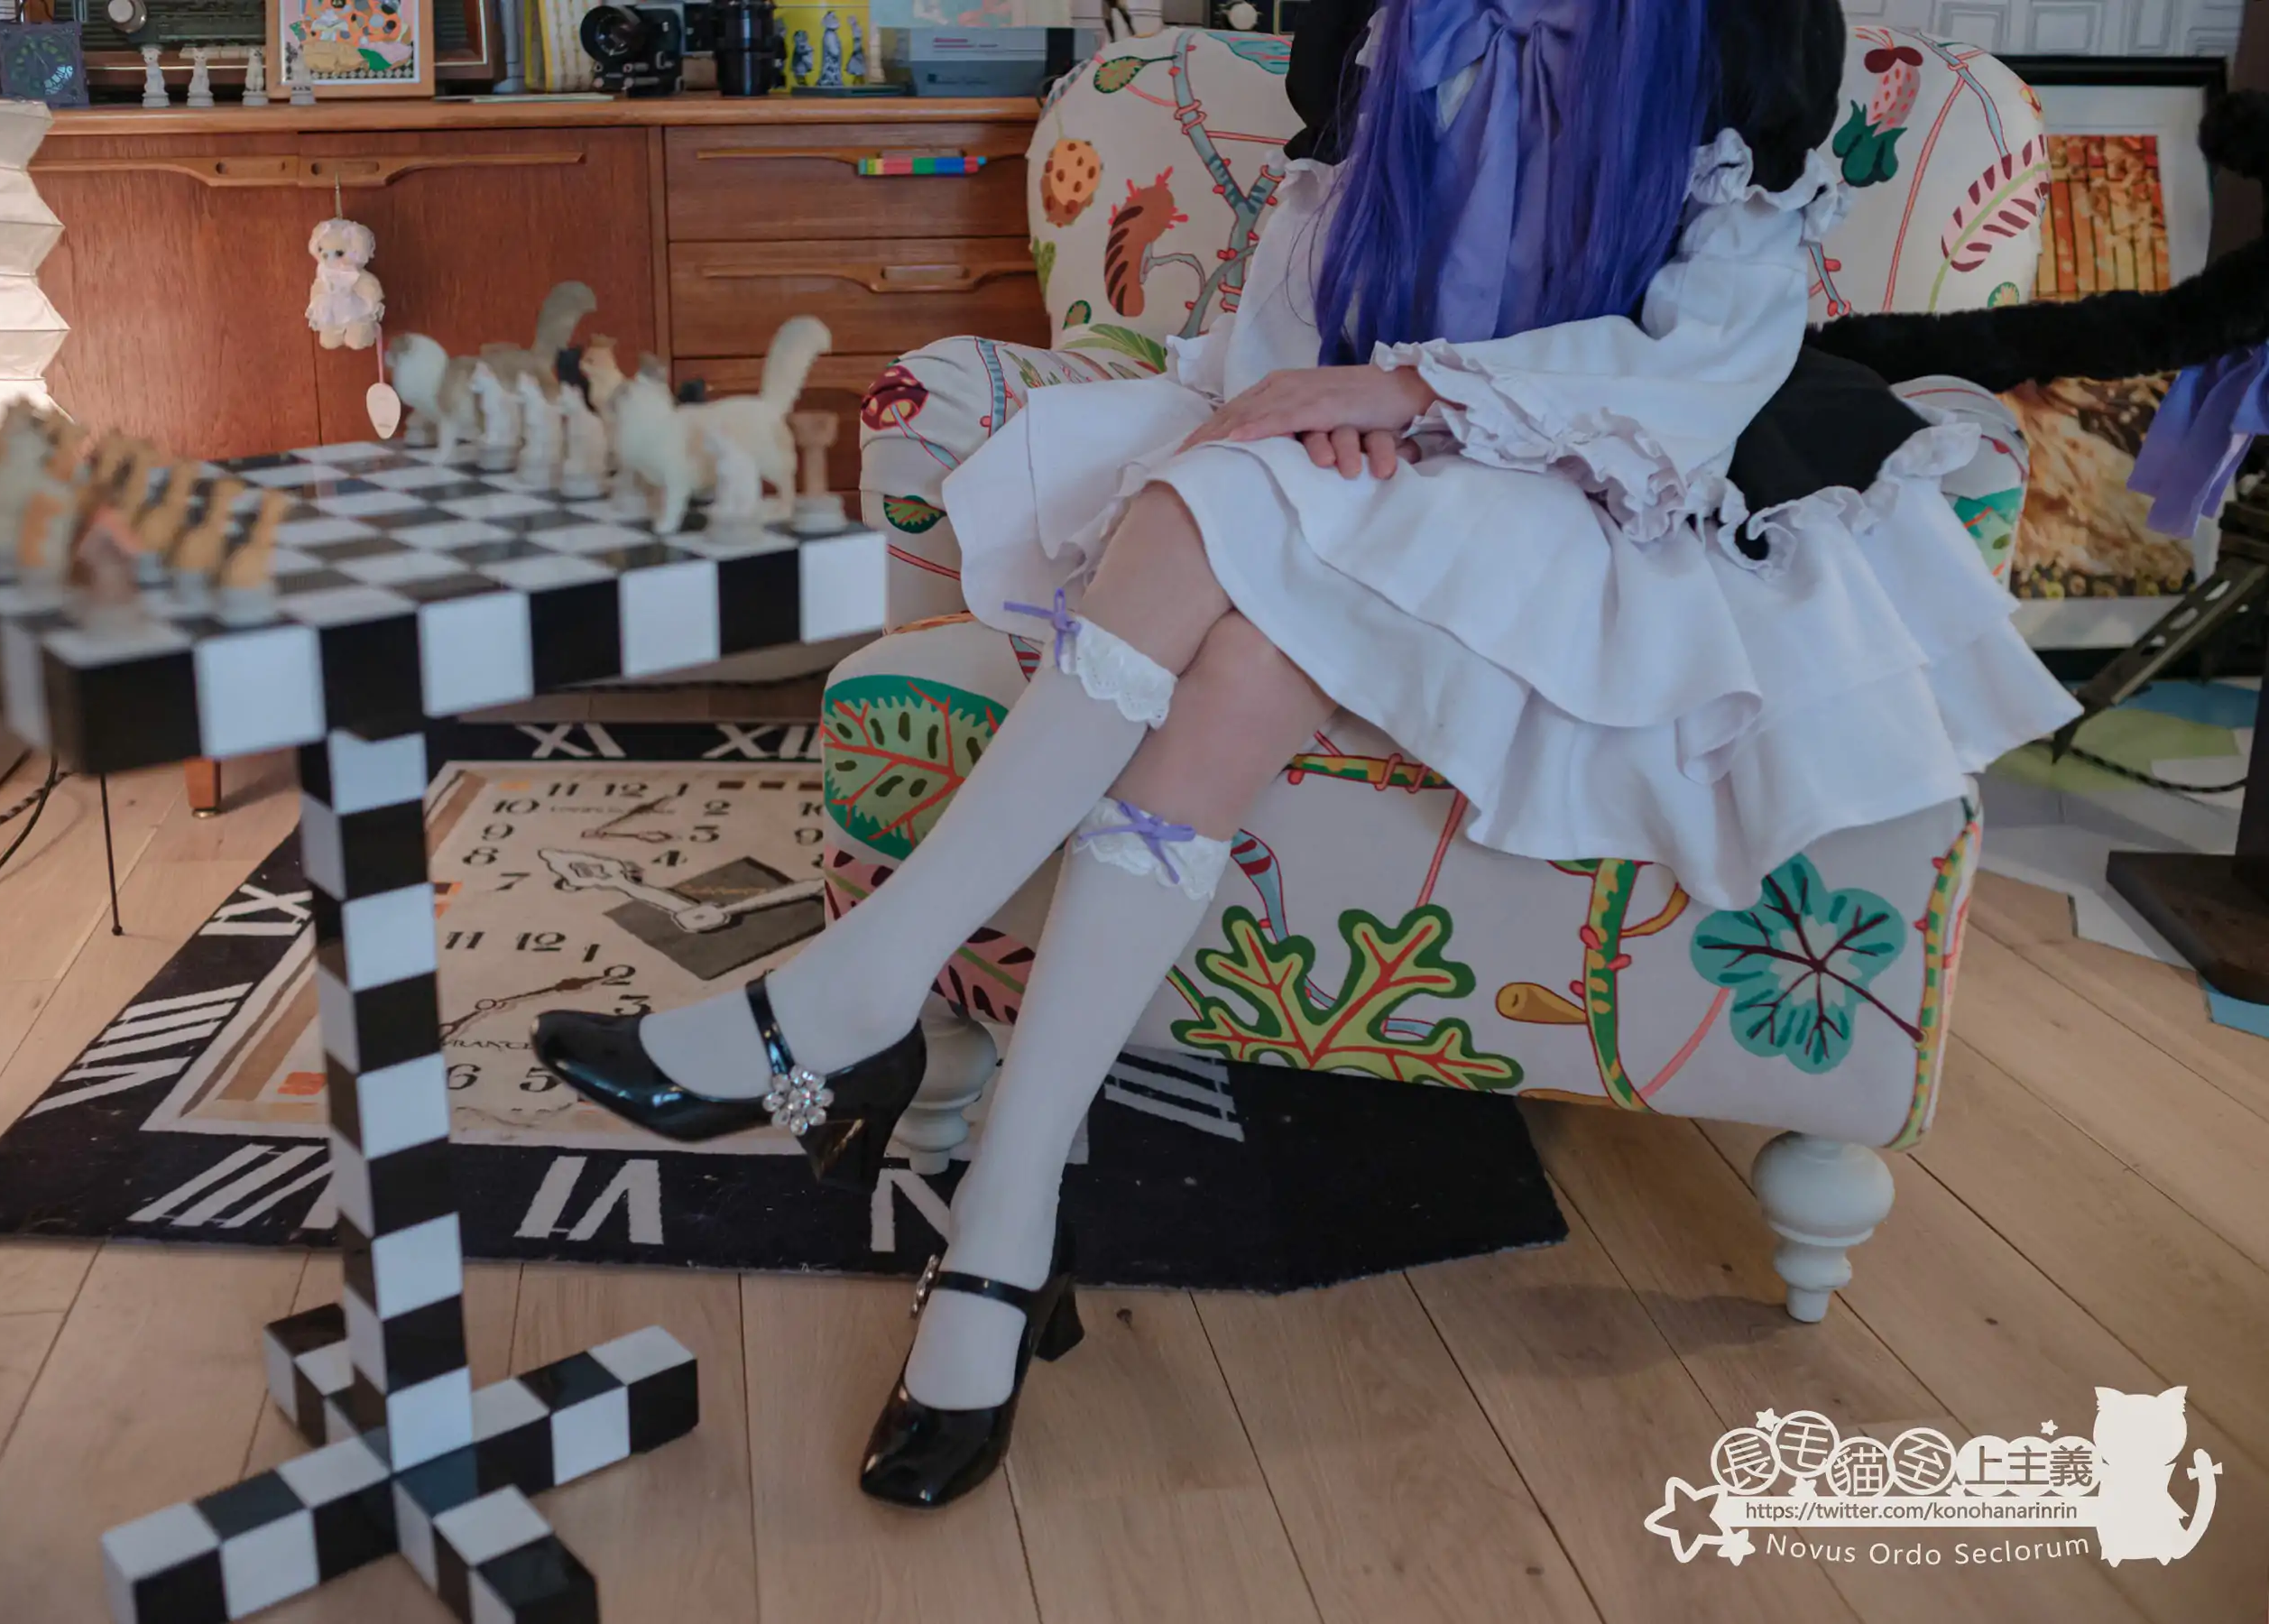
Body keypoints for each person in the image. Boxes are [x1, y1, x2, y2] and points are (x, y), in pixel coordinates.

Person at [532, 0, 2079, 1508]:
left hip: (1591, 481)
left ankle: (860, 1001)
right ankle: (1002, 1228)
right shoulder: (1380, 17)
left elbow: (1710, 356)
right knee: (1242, 630)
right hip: (1368, 459)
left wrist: (1400, 394)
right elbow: (1306, 288)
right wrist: (1329, 407)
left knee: (1198, 509)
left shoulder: (1749, 30)